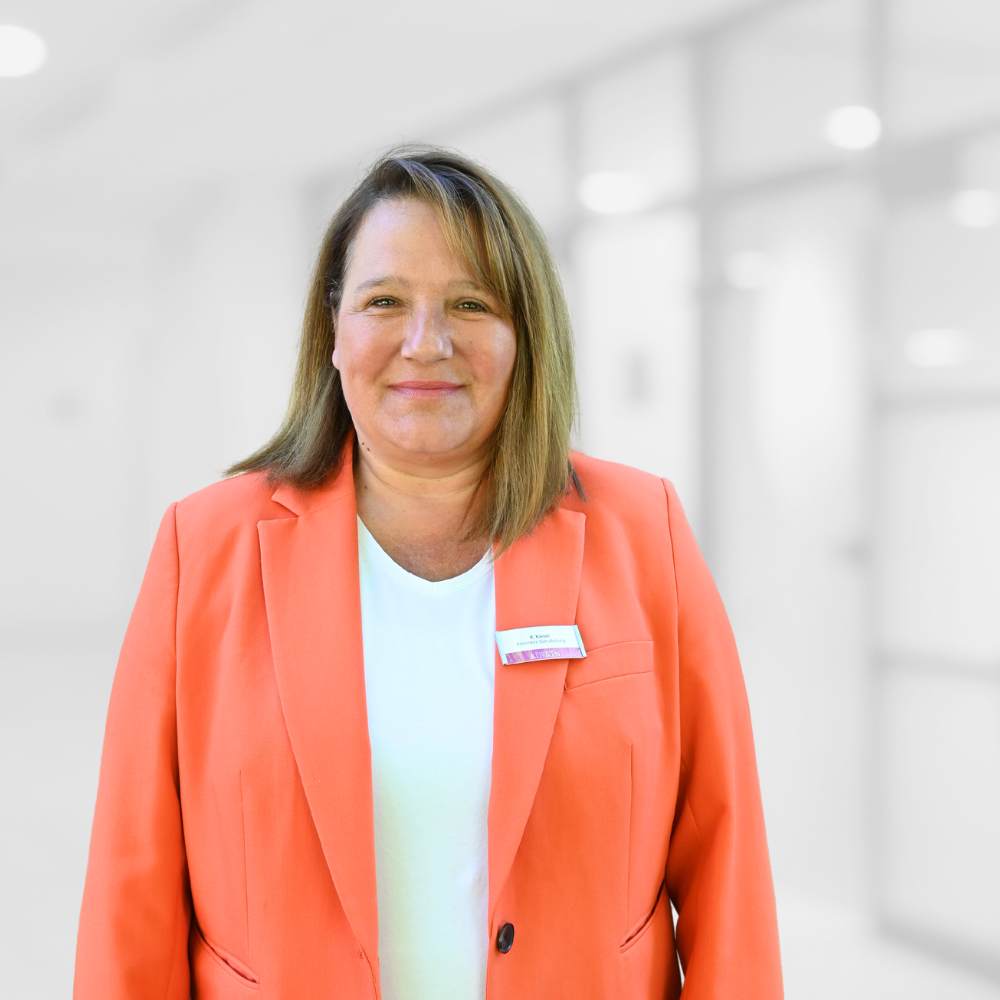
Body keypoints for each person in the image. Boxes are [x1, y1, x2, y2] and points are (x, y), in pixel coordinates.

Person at [72, 142, 784, 999]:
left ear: (524, 335)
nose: (425, 342)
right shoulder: (204, 548)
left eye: (470, 303)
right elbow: (134, 885)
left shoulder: (643, 532)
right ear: (334, 331)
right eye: (384, 301)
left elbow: (726, 855)